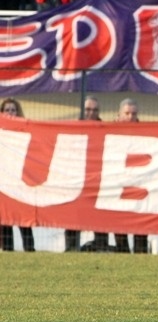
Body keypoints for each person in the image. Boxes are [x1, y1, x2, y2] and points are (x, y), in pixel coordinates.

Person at [113, 98, 148, 254]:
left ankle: (141, 253)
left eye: (133, 113)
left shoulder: (146, 134)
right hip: (116, 184)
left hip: (139, 184)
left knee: (141, 221)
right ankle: (122, 253)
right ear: (118, 114)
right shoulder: (107, 132)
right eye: (127, 113)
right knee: (119, 221)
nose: (130, 117)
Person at [0, 98, 35, 252]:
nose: (10, 113)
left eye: (13, 110)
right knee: (6, 219)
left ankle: (29, 250)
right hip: (4, 183)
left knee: (24, 219)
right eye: (7, 110)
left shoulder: (26, 131)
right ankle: (8, 251)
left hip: (21, 183)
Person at [69, 95, 101, 252]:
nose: (91, 113)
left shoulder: (106, 129)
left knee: (101, 218)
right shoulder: (72, 129)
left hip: (98, 184)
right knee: (73, 216)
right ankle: (71, 248)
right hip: (76, 181)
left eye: (95, 110)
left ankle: (101, 247)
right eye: (88, 109)